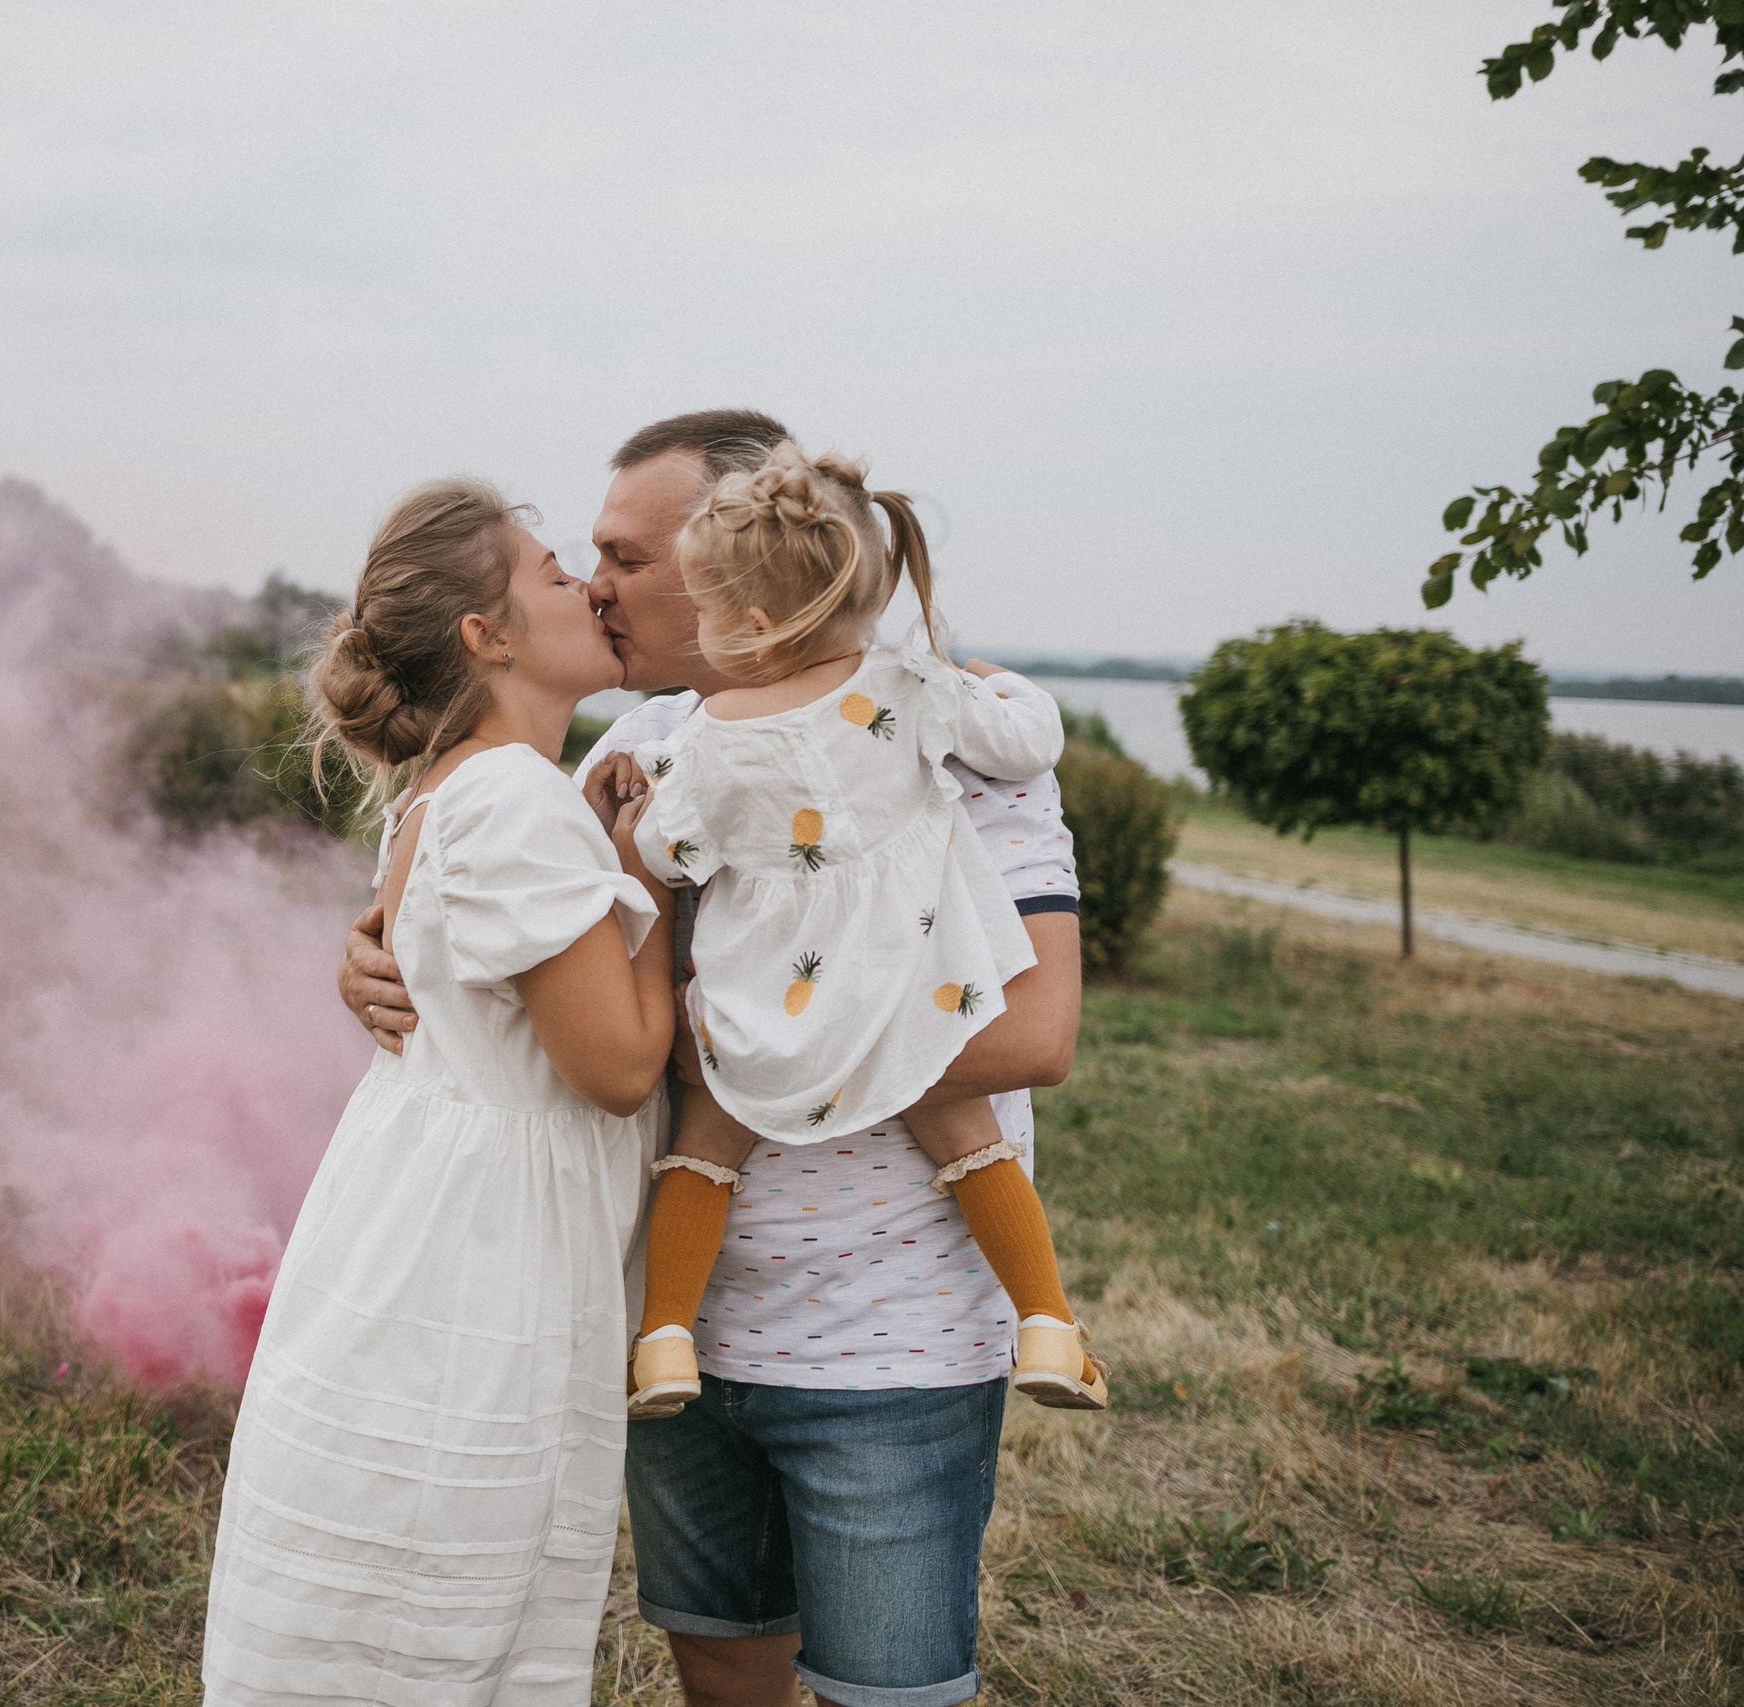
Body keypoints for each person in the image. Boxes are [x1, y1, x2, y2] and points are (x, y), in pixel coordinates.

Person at [338, 411, 1084, 1707]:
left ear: (740, 568)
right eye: (587, 558)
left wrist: (757, 1030)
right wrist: (381, 956)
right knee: (725, 1680)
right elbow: (548, 959)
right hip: (669, 1338)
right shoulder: (637, 755)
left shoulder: (944, 735)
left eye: (627, 557)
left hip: (891, 1354)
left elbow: (1035, 1033)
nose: (596, 585)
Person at [202, 478, 679, 1706]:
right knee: (454, 1587)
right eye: (552, 573)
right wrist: (651, 882)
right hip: (482, 1259)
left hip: (418, 1217)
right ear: (487, 635)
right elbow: (619, 1069)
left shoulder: (461, 786)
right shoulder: (514, 797)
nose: (586, 586)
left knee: (398, 1604)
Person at [612, 439, 1107, 1422]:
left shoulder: (702, 742)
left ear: (753, 623)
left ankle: (663, 1340)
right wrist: (1009, 689)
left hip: (767, 995)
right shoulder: (912, 685)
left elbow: (666, 855)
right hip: (907, 974)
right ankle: (1048, 1323)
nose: (698, 628)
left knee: (705, 1146)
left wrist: (632, 823)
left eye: (704, 608)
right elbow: (1025, 741)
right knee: (970, 1140)